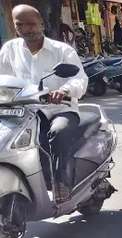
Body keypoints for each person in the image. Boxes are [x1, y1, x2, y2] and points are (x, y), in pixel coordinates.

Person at [0, 5, 88, 203]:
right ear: (15, 27)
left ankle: (61, 182)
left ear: (41, 24)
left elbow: (80, 79)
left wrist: (64, 91)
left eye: (31, 24)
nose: (27, 29)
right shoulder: (9, 49)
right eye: (20, 25)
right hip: (23, 111)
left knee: (58, 133)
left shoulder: (62, 50)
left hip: (59, 109)